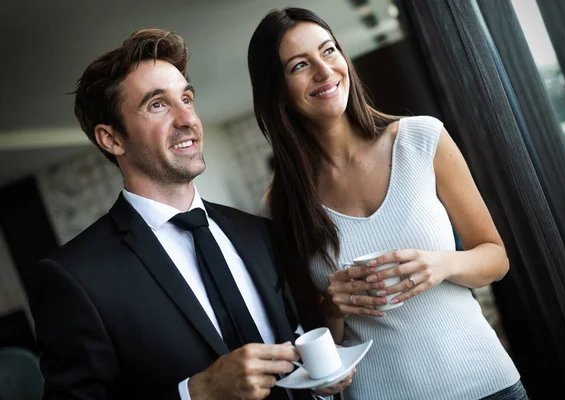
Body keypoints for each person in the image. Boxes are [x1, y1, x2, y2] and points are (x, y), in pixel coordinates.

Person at [24, 29, 353, 400]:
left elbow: (291, 347)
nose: (187, 119)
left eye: (186, 98)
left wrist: (320, 381)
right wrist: (195, 393)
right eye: (157, 105)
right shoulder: (75, 277)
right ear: (112, 138)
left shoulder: (257, 233)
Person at [248, 8, 527, 400]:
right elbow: (312, 331)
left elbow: (495, 258)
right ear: (276, 90)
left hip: (487, 383)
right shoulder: (279, 206)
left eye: (329, 51)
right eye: (299, 66)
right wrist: (333, 308)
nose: (324, 71)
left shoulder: (422, 139)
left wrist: (440, 264)